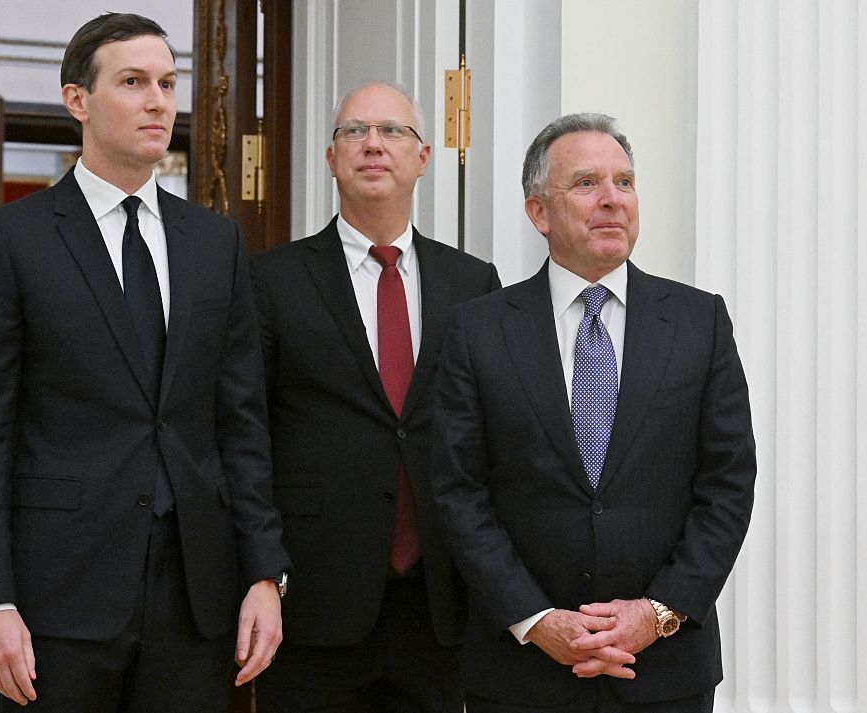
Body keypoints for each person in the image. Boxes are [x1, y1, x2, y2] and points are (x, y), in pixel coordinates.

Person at [0, 13, 290, 712]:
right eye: (133, 82)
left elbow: (241, 424)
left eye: (168, 82)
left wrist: (265, 573)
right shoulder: (10, 239)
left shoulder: (214, 242)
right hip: (54, 601)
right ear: (79, 100)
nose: (159, 100)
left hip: (196, 600)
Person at [430, 113, 757, 713]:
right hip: (520, 673)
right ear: (539, 213)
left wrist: (658, 613)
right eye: (586, 184)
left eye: (625, 182)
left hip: (662, 670)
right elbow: (457, 490)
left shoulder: (699, 321)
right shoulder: (478, 330)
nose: (612, 199)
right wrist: (533, 619)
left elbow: (729, 484)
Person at [249, 81, 501, 712]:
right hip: (312, 602)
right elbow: (244, 435)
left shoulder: (474, 283)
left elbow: (492, 438)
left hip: (440, 604)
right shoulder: (271, 280)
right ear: (331, 158)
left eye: (393, 131)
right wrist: (261, 570)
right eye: (353, 131)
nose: (372, 145)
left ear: (423, 158)